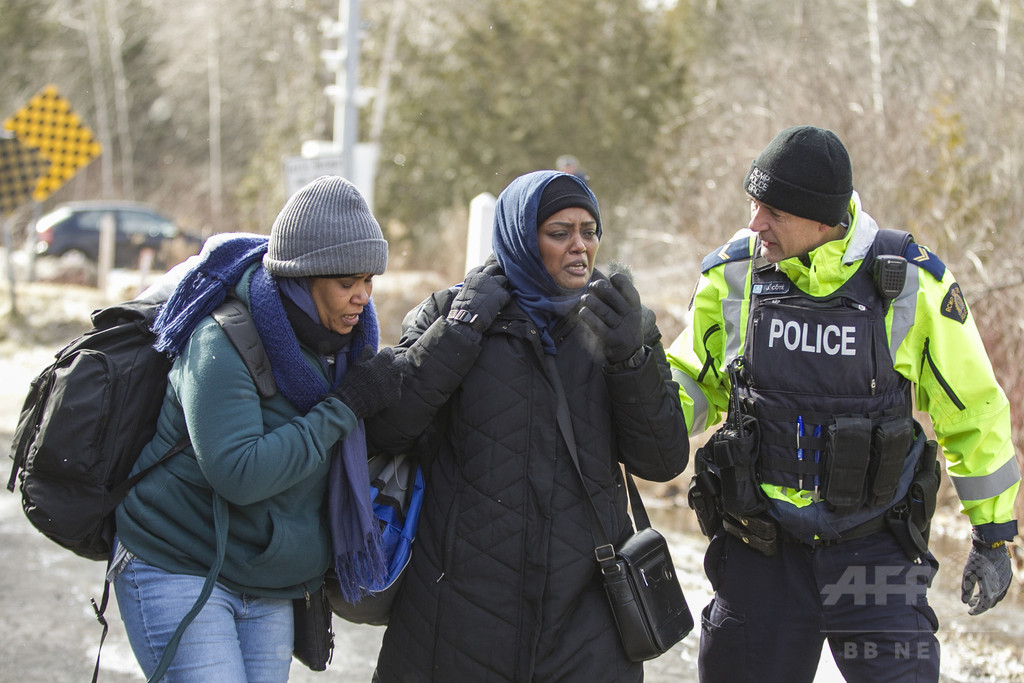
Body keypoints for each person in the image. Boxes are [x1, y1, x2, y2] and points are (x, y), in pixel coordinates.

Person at [667, 125, 1021, 682]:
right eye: (753, 206)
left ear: (822, 220)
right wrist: (636, 396)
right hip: (762, 550)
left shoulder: (906, 283)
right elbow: (692, 382)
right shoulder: (735, 276)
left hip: (873, 552)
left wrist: (993, 533)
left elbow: (972, 410)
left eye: (773, 213)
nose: (755, 223)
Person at [366, 170, 690, 681]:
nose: (580, 247)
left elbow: (664, 459)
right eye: (560, 233)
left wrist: (632, 356)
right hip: (457, 616)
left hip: (586, 620)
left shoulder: (620, 322)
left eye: (590, 230)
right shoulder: (454, 312)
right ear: (520, 235)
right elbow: (388, 428)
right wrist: (460, 332)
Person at [112, 176, 406, 681]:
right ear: (302, 277)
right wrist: (343, 407)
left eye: (368, 282)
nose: (361, 298)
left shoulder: (345, 349)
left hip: (270, 581)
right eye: (346, 283)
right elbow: (240, 473)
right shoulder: (222, 339)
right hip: (179, 561)